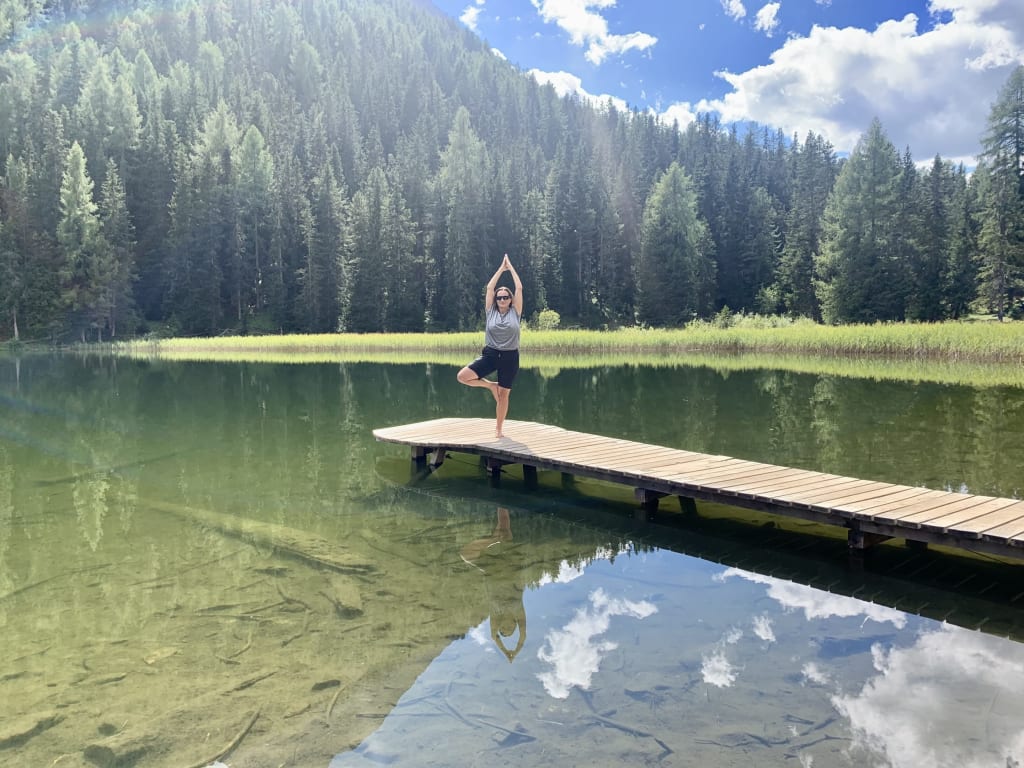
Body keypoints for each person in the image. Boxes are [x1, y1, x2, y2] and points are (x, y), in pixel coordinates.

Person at [457, 254, 523, 438]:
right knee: (462, 376)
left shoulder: (516, 312)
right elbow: (489, 287)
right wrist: (501, 269)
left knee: (504, 395)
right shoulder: (490, 311)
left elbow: (518, 287)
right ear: (496, 300)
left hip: (510, 357)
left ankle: (499, 429)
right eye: (499, 297)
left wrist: (511, 269)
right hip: (491, 354)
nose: (502, 300)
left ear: (510, 299)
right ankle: (490, 386)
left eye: (505, 297)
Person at [460, 507, 528, 663]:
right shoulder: (519, 612)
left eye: (502, 630)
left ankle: (493, 538)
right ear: (514, 625)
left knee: (465, 554)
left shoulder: (495, 615)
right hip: (512, 567)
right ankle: (501, 502)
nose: (505, 629)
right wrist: (515, 651)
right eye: (509, 630)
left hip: (492, 571)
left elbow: (493, 636)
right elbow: (523, 636)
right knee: (504, 528)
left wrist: (504, 651)